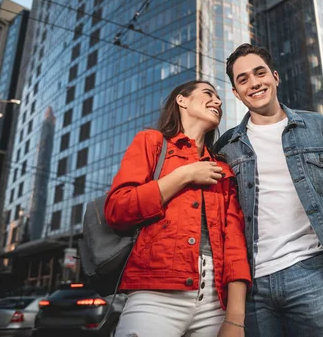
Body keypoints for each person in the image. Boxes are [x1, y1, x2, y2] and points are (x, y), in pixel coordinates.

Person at [214, 44, 323, 336]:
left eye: (260, 73)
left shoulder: (317, 126)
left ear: (275, 77)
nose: (254, 83)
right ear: (236, 92)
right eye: (243, 79)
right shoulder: (226, 146)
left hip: (310, 273)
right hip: (250, 284)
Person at [104, 80, 251, 337]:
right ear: (181, 100)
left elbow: (235, 244)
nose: (218, 102)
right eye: (208, 94)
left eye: (219, 98)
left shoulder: (222, 169)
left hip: (214, 302)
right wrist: (184, 175)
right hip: (154, 295)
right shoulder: (152, 142)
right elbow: (118, 208)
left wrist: (235, 319)